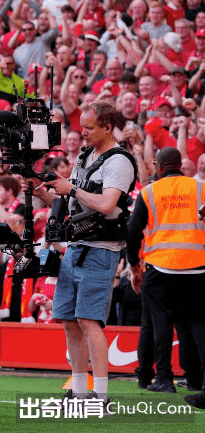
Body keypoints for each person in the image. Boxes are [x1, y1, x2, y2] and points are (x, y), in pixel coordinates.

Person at [30, 101, 136, 407]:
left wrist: (72, 189)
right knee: (68, 320)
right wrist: (38, 190)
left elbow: (106, 204)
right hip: (75, 246)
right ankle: (78, 391)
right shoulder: (85, 155)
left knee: (89, 321)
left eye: (89, 127)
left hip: (101, 249)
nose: (83, 133)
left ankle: (100, 396)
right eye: (82, 127)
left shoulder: (120, 160)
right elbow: (67, 203)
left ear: (107, 127)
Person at [127, 147, 205, 408]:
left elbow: (133, 232)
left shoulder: (149, 192)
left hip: (160, 268)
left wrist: (134, 266)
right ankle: (198, 380)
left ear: (159, 166)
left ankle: (164, 379)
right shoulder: (200, 188)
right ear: (180, 165)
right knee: (198, 324)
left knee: (160, 324)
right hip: (197, 265)